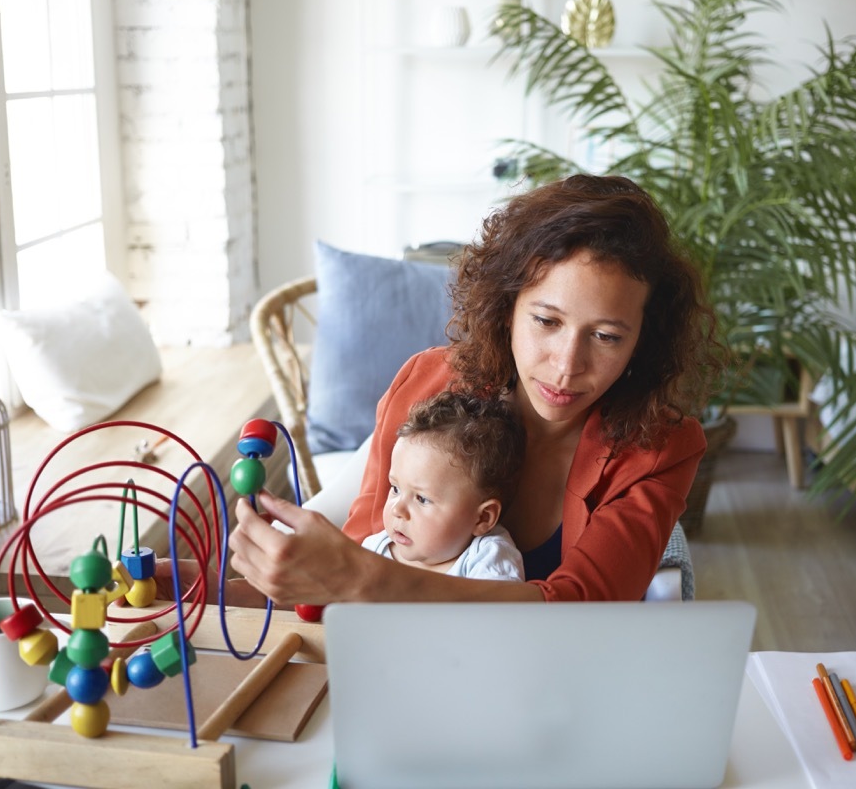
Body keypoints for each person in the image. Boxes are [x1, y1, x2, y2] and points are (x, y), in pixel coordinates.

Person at [226, 173, 723, 604]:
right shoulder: (428, 381)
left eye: (606, 336)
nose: (567, 366)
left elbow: (582, 609)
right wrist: (191, 586)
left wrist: (363, 580)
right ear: (507, 306)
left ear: (643, 340)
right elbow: (356, 553)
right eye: (546, 321)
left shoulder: (660, 450)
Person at [363, 390, 525, 581]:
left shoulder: (487, 559)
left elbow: (500, 608)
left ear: (483, 517)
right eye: (396, 489)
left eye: (421, 499)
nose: (398, 509)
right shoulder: (374, 550)